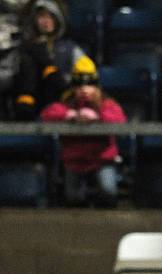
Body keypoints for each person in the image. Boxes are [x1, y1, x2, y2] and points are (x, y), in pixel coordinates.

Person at [40, 56, 126, 207]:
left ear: (96, 87)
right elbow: (47, 114)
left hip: (102, 158)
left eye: (89, 85)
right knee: (73, 198)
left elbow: (120, 119)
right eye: (80, 86)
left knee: (108, 192)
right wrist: (70, 115)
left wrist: (98, 117)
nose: (85, 90)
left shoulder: (106, 103)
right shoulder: (67, 104)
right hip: (75, 160)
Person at [14, 0, 86, 120]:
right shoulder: (25, 48)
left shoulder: (70, 48)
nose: (46, 21)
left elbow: (85, 79)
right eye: (42, 16)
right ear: (34, 19)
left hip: (63, 102)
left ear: (58, 19)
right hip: (31, 105)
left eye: (51, 16)